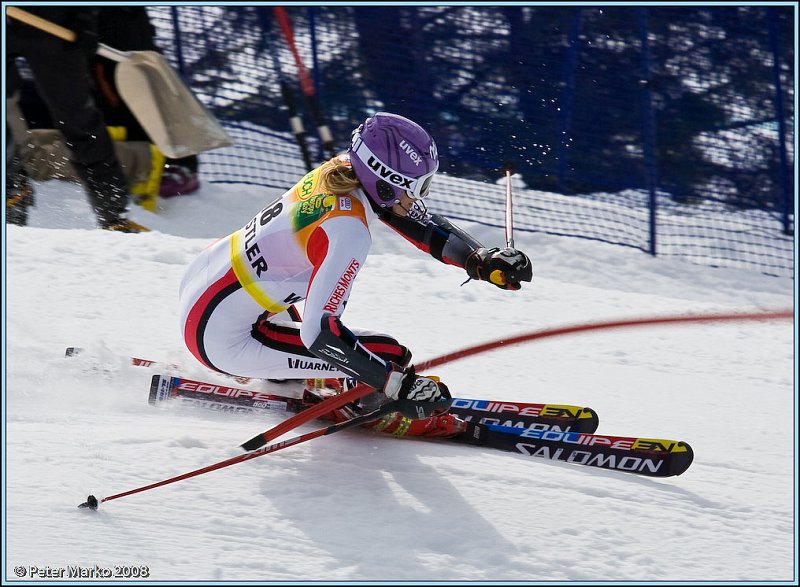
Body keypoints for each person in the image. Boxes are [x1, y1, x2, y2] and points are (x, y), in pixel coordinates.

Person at [177, 112, 533, 437]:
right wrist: (396, 385)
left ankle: (322, 378)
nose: (418, 198)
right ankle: (370, 407)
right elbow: (319, 333)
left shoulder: (341, 171)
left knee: (362, 354)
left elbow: (410, 220)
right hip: (220, 337)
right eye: (416, 187)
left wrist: (478, 259)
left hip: (207, 282)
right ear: (385, 183)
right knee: (390, 354)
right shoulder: (347, 233)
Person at [6, 7, 146, 232]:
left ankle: (113, 216)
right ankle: (11, 194)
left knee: (79, 121)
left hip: (53, 21)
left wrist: (84, 16)